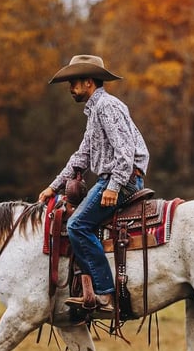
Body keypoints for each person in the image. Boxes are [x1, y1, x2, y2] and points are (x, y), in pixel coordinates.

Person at [38, 55, 150, 312]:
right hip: (114, 177)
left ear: (89, 82)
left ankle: (104, 293)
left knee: (77, 226)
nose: (70, 88)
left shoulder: (107, 107)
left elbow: (125, 151)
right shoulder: (95, 111)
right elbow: (82, 156)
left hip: (122, 178)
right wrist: (53, 187)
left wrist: (114, 186)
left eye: (74, 82)